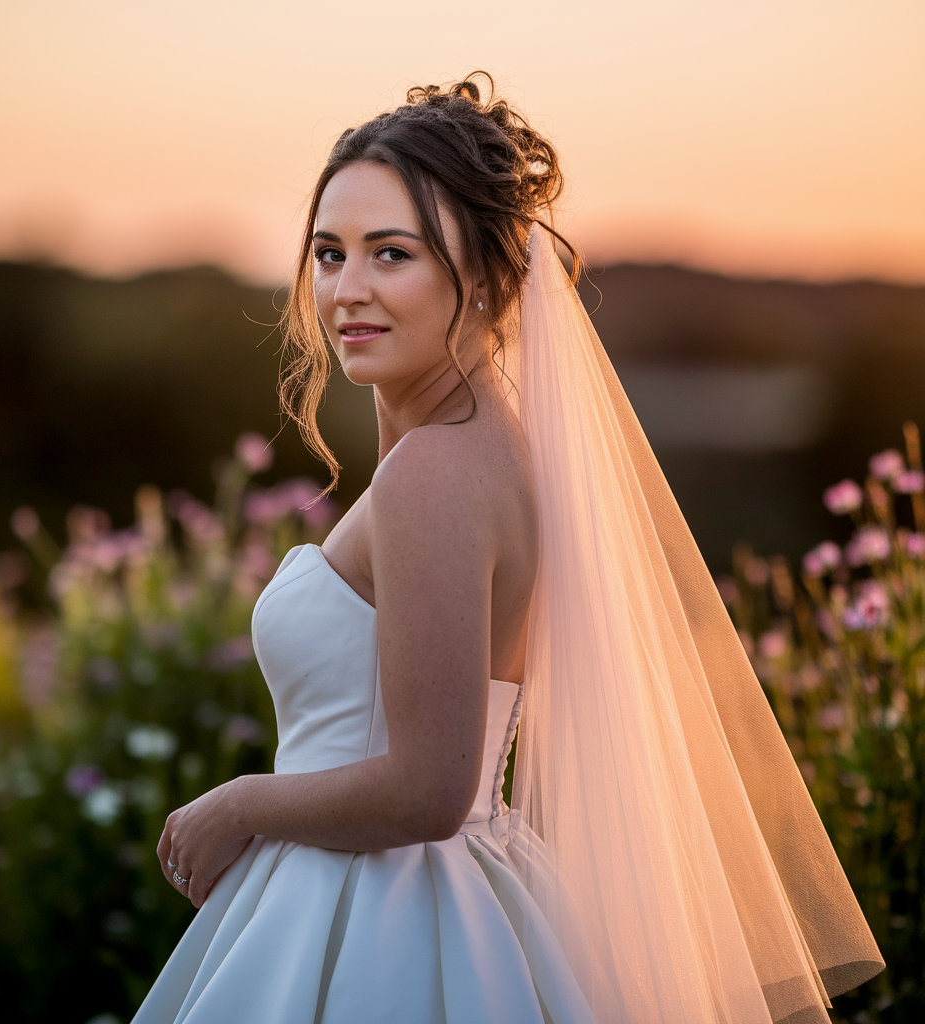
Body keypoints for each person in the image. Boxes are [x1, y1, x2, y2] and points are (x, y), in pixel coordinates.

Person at [133, 74, 883, 1024]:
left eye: (391, 254)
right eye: (329, 252)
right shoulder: (490, 451)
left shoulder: (434, 476)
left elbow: (429, 788)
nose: (344, 289)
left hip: (378, 916)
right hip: (442, 895)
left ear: (486, 279)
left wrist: (239, 804)